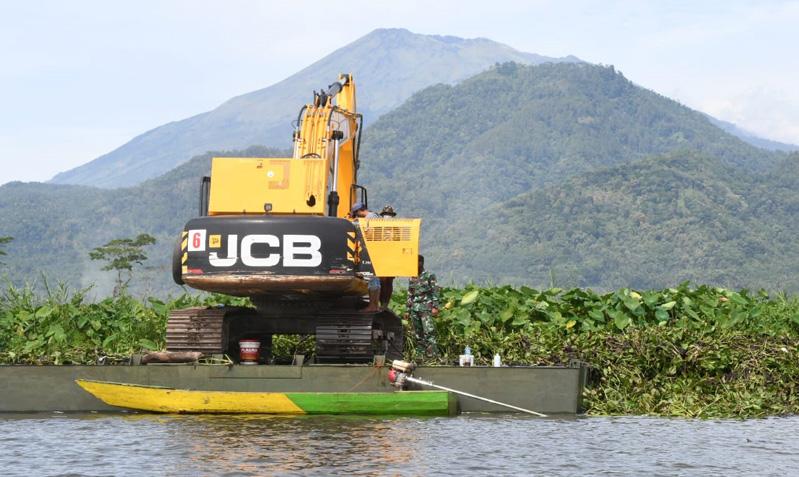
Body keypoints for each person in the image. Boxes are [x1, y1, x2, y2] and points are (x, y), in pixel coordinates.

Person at [406, 255, 440, 356]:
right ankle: (420, 354)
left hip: (426, 308)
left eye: (416, 262)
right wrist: (407, 310)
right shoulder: (412, 277)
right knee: (418, 333)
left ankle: (432, 354)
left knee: (428, 331)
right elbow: (410, 294)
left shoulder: (429, 275)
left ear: (421, 263)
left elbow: (435, 291)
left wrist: (435, 307)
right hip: (415, 309)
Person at [351, 202, 381, 312]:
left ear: (359, 211)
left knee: (372, 278)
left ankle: (373, 305)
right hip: (376, 251)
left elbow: (367, 232)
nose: (357, 217)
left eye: (356, 214)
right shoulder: (376, 216)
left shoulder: (370, 217)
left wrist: (356, 224)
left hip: (372, 251)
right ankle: (375, 305)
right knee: (374, 279)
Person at [378, 204, 397, 309]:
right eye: (386, 214)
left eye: (389, 214)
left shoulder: (396, 229)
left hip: (391, 258)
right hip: (380, 258)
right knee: (380, 281)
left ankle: (385, 304)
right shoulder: (378, 228)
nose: (387, 216)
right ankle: (381, 302)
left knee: (388, 281)